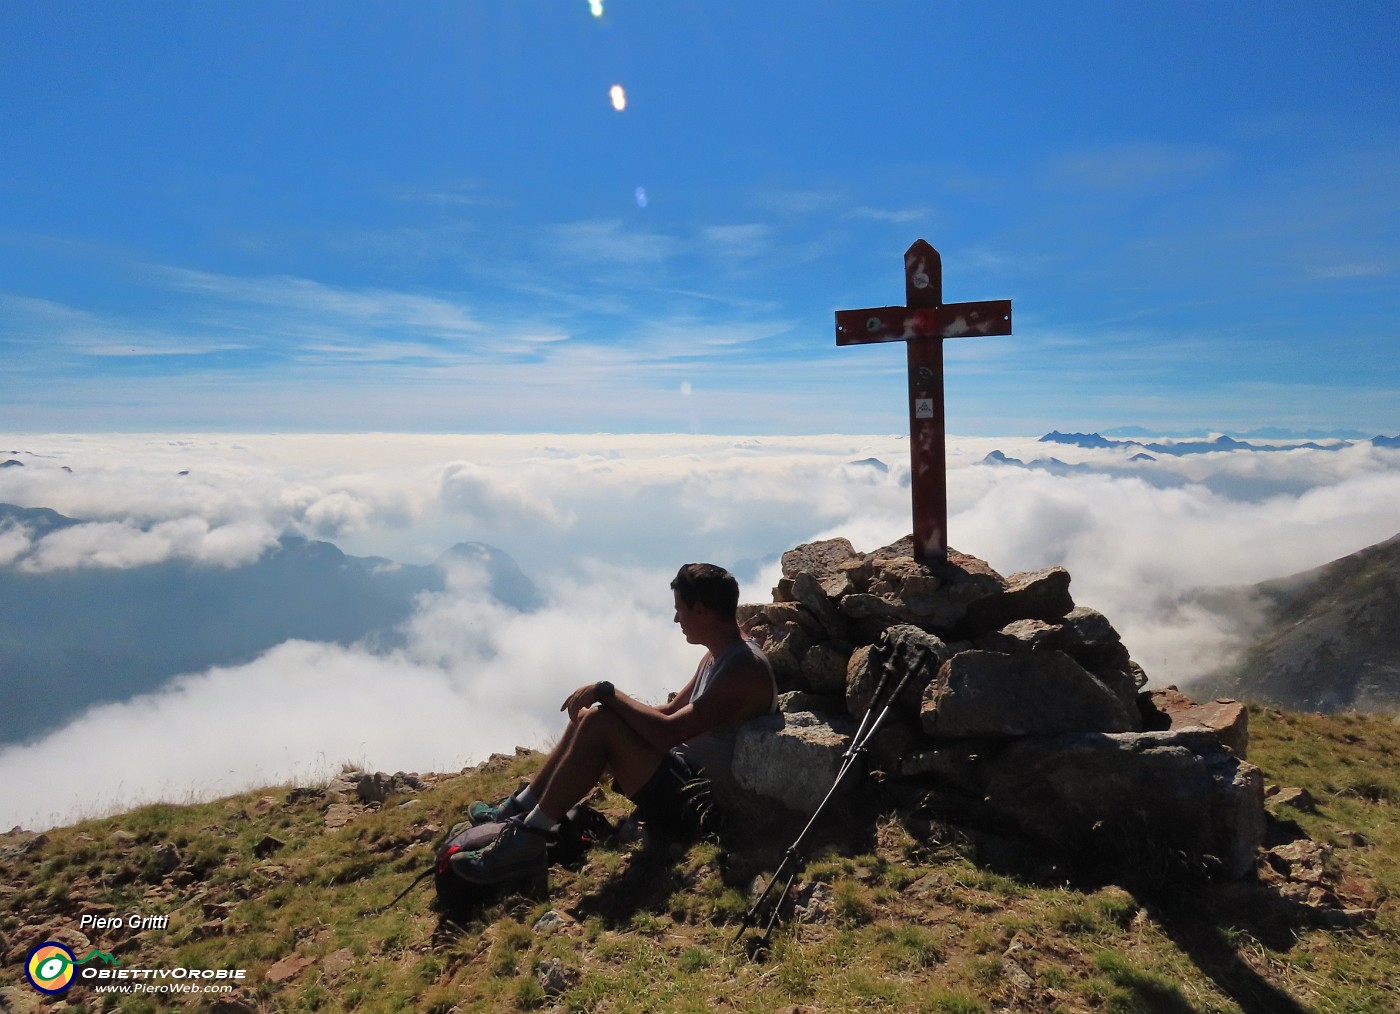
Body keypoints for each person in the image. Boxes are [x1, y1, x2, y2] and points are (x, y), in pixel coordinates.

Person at [454, 562, 777, 885]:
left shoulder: (742, 669)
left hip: (704, 806)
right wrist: (610, 704)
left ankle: (527, 839)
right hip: (683, 779)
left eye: (680, 610)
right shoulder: (717, 655)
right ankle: (515, 809)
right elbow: (668, 713)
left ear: (701, 610)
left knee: (599, 722)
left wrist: (607, 692)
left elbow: (669, 733)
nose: (677, 618)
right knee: (589, 719)